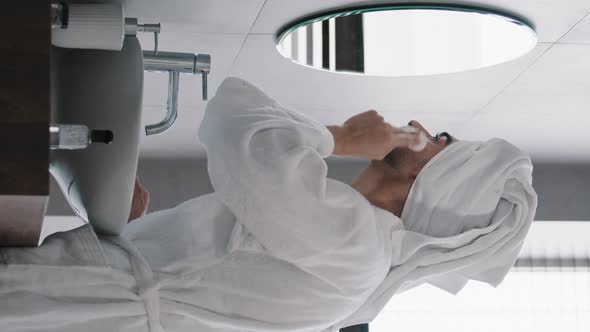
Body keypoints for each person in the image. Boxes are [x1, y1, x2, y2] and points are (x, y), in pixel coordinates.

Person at [0, 77, 537, 332]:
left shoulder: (356, 245)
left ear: (445, 181)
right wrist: (138, 236)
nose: (419, 128)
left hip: (61, 302)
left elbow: (242, 133)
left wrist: (345, 137)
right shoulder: (356, 259)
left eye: (442, 139)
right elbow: (211, 281)